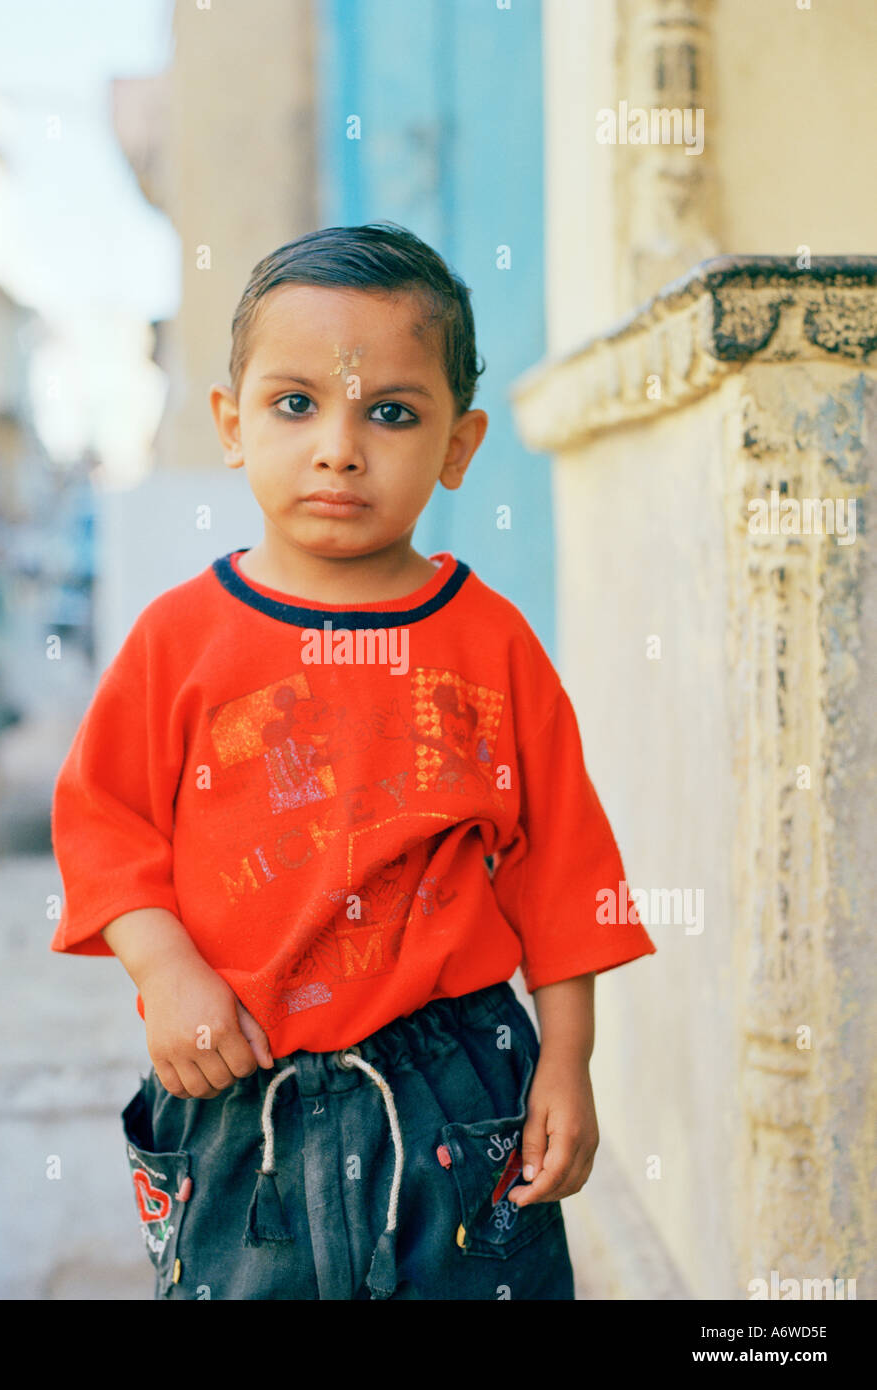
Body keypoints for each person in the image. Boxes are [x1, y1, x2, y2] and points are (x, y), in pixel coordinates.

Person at [49, 222, 657, 1300]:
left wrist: (567, 1061)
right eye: (296, 404)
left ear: (458, 447)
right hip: (238, 1086)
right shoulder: (178, 640)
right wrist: (166, 971)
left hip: (459, 1091)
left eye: (389, 412)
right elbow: (106, 828)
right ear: (232, 425)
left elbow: (561, 867)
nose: (339, 445)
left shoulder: (490, 642)